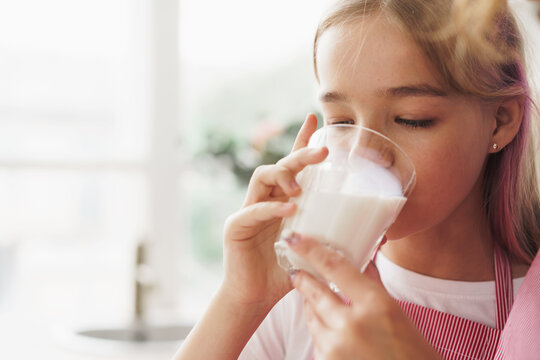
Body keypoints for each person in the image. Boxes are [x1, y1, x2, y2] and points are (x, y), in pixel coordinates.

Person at [174, 0, 540, 359]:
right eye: (341, 122)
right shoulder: (298, 290)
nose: (363, 151)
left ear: (501, 120)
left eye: (411, 119)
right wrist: (240, 302)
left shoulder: (530, 310)